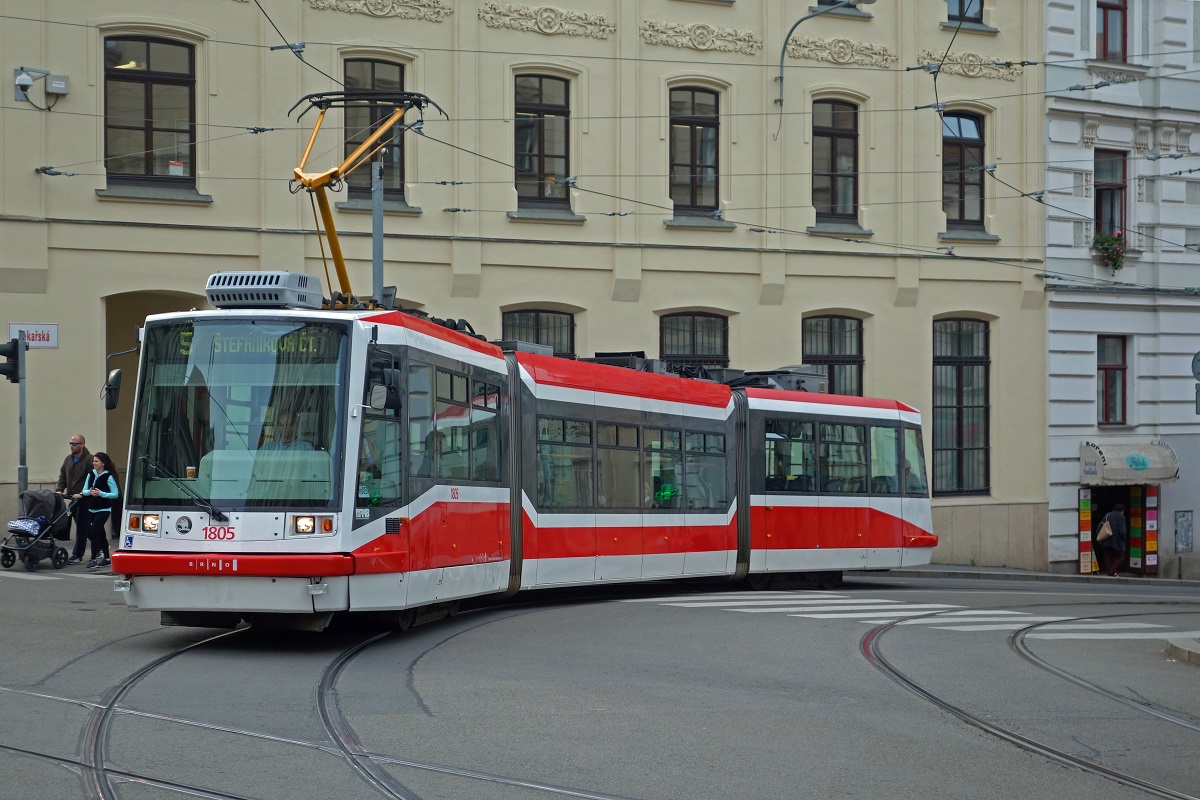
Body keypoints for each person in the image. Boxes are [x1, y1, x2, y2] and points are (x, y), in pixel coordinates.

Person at [73, 452, 120, 570]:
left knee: (93, 532)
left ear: (103, 463)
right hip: (92, 508)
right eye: (93, 461)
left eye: (96, 461)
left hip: (104, 509)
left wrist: (101, 493)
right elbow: (84, 490)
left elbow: (115, 494)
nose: (93, 463)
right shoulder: (91, 474)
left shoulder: (108, 476)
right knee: (100, 533)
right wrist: (90, 492)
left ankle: (93, 558)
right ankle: (107, 558)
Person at [57, 434, 93, 564]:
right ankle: (100, 546)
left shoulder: (90, 460)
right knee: (83, 526)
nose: (71, 446)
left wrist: (83, 493)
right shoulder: (69, 459)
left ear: (82, 445)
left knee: (82, 527)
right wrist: (60, 489)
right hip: (73, 498)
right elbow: (63, 476)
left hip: (85, 499)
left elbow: (92, 480)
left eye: (74, 444)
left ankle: (77, 555)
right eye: (70, 443)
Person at [1097, 503, 1128, 577]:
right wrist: (1124, 539)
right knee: (1120, 556)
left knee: (1108, 557)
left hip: (1106, 539)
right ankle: (1113, 571)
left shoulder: (1107, 515)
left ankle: (1109, 573)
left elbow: (1100, 526)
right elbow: (1122, 531)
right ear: (1122, 511)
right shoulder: (1121, 517)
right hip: (1117, 541)